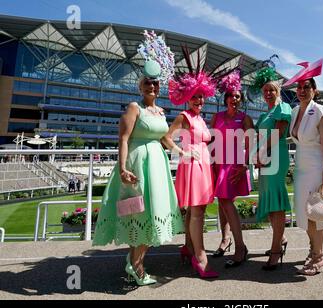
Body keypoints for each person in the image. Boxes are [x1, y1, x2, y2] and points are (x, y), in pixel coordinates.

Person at [92, 30, 183, 286]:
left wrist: (183, 152)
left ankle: (135, 262)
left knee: (152, 212)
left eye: (155, 83)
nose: (151, 86)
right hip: (138, 164)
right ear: (140, 86)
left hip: (157, 165)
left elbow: (165, 139)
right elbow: (123, 139)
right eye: (147, 83)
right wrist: (122, 168)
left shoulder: (161, 112)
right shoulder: (135, 107)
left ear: (159, 86)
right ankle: (137, 266)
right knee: (139, 212)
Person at [163, 46, 232, 278]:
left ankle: (188, 247)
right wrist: (180, 152)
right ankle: (200, 258)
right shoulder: (184, 117)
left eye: (201, 96)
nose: (198, 100)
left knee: (196, 210)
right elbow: (165, 138)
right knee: (197, 212)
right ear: (187, 98)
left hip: (203, 165)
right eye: (194, 97)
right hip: (192, 165)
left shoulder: (200, 118)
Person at [283, 58, 323, 275]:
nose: (302, 90)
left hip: (316, 167)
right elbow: (294, 138)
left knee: (315, 214)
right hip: (301, 168)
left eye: (306, 87)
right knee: (304, 212)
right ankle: (313, 250)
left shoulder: (320, 111)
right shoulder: (294, 112)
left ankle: (319, 257)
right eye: (299, 87)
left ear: (314, 90)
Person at [249, 64, 292, 271]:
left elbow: (276, 134)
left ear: (278, 91)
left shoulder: (282, 108)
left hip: (275, 156)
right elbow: (258, 135)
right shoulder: (266, 112)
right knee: (268, 200)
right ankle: (280, 239)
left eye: (271, 90)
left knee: (275, 202)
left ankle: (275, 251)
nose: (268, 93)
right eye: (265, 90)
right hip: (264, 158)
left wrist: (260, 153)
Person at [210, 70, 254, 267]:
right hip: (217, 163)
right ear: (226, 98)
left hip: (234, 163)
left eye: (237, 96)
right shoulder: (216, 117)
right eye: (231, 96)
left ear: (240, 99)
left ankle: (240, 247)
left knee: (227, 202)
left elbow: (251, 143)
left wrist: (246, 164)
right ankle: (225, 240)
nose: (234, 99)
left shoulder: (245, 119)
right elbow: (210, 140)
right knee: (222, 202)